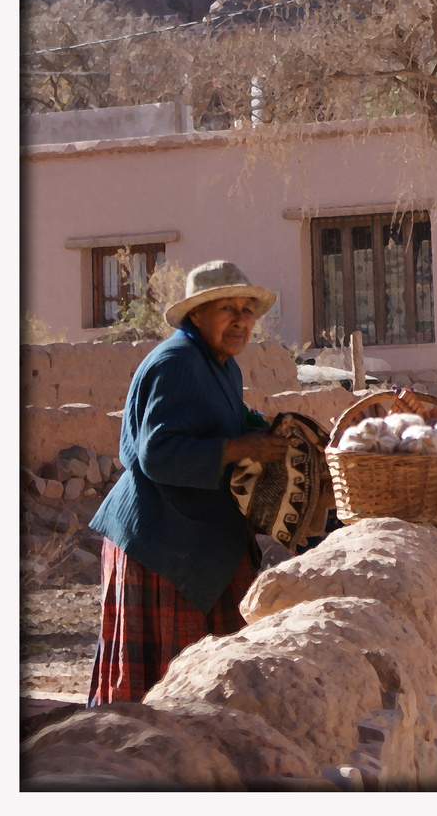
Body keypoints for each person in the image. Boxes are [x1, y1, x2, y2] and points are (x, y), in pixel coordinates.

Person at [87, 260, 290, 706]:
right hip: (160, 542)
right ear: (196, 315)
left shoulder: (223, 366)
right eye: (227, 309)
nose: (241, 320)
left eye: (247, 310)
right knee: (162, 689)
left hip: (193, 533)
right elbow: (157, 454)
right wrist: (238, 449)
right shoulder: (176, 363)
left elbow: (219, 426)